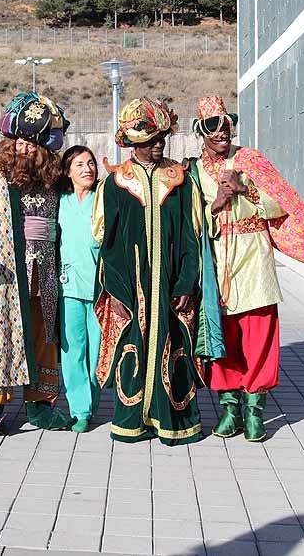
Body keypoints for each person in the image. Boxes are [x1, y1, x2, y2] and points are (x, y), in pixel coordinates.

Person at [187, 96, 304, 442]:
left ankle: (255, 411)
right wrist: (216, 202)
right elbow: (189, 218)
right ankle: (230, 408)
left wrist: (245, 188)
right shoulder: (194, 171)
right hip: (216, 256)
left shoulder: (251, 159)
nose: (223, 133)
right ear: (200, 131)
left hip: (253, 255)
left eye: (227, 125)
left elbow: (282, 203)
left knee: (259, 334)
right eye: (214, 127)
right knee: (223, 334)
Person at [92, 98, 216, 446]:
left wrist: (186, 280)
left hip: (171, 283)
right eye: (150, 139)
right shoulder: (115, 184)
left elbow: (192, 236)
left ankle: (173, 421)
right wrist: (116, 288)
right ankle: (131, 420)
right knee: (131, 345)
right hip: (129, 286)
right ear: (132, 143)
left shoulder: (180, 181)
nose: (158, 143)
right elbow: (107, 240)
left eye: (162, 136)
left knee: (173, 345)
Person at [0, 92, 74, 435]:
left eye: (33, 143)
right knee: (3, 332)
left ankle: (40, 404)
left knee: (45, 333)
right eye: (20, 141)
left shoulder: (55, 179)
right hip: (5, 269)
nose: (25, 149)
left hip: (45, 266)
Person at [57, 145, 102, 433]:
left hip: (100, 287)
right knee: (72, 350)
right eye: (80, 165)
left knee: (97, 353)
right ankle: (80, 409)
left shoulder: (103, 199)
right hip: (68, 286)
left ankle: (93, 402)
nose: (88, 169)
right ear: (68, 171)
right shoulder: (59, 201)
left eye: (91, 163)